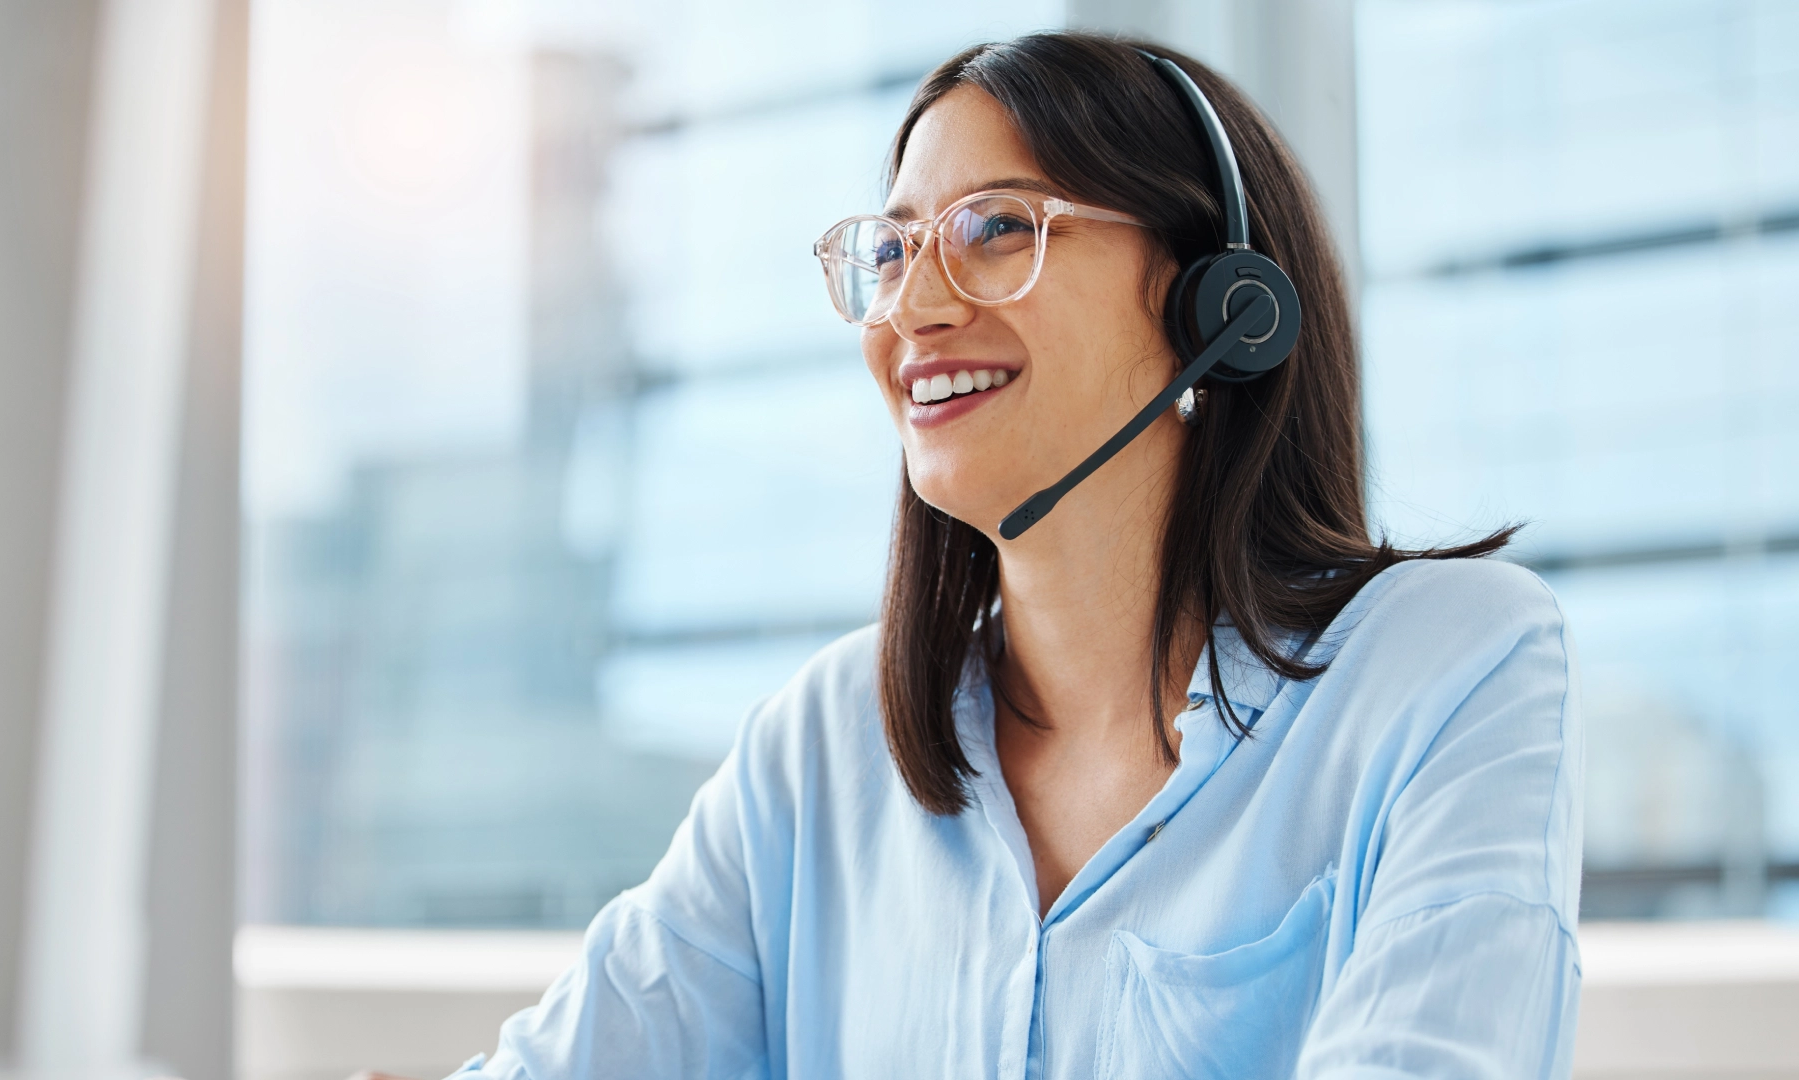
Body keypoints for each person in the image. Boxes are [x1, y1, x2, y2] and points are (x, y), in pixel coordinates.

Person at [445, 31, 1581, 1080]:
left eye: (998, 229)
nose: (913, 310)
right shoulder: (823, 750)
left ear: (1219, 305)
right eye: (890, 252)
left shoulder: (1450, 667)